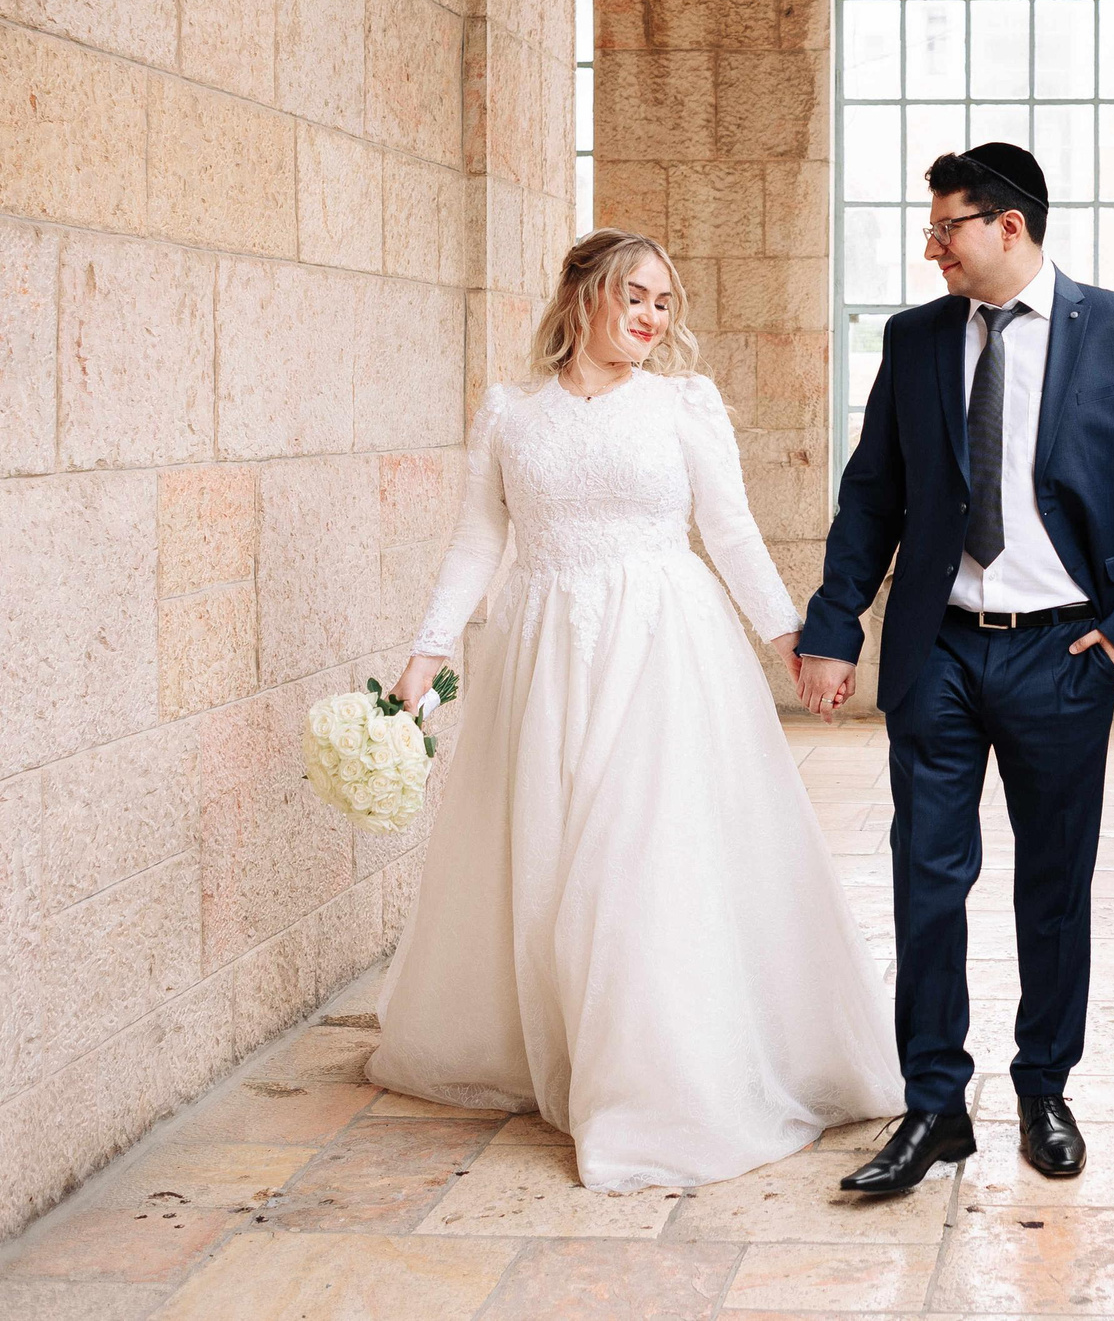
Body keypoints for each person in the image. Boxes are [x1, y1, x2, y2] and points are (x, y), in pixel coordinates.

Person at [373, 229, 903, 1191]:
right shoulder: (510, 415)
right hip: (543, 653)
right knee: (549, 855)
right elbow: (476, 543)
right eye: (636, 296)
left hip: (662, 649)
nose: (653, 318)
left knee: (639, 856)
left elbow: (730, 529)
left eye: (666, 302)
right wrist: (428, 650)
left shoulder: (684, 406)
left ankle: (650, 1085)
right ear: (581, 295)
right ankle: (567, 1052)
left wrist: (789, 637)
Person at [796, 141, 1114, 1193]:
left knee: (1052, 887)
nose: (931, 248)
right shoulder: (919, 338)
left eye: (946, 229)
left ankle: (1042, 1086)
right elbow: (872, 497)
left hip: (1062, 652)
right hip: (938, 651)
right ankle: (933, 1105)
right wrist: (835, 626)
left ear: (1007, 226)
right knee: (926, 881)